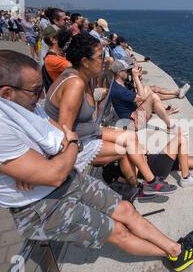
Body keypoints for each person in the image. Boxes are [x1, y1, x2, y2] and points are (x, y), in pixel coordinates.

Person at [0, 50, 193, 272]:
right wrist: (68, 146)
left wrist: (59, 150)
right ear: (6, 92)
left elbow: (59, 141)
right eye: (36, 91)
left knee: (126, 211)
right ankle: (177, 255)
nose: (41, 96)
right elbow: (56, 164)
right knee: (118, 232)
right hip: (42, 206)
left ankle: (174, 247)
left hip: (66, 180)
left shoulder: (19, 106)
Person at [44, 33, 177, 195]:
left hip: (88, 131)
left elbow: (108, 65)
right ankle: (148, 183)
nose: (104, 60)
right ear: (85, 62)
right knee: (125, 148)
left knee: (131, 137)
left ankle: (142, 186)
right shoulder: (75, 84)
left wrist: (106, 63)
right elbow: (63, 131)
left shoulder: (85, 75)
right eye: (100, 57)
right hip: (73, 145)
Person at [104, 130, 193, 188]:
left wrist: (141, 150)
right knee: (181, 139)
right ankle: (185, 178)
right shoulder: (110, 168)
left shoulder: (118, 151)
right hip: (155, 167)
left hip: (154, 160)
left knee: (191, 160)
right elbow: (130, 178)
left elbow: (141, 151)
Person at [110, 60, 191, 131]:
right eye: (126, 70)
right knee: (153, 97)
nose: (128, 72)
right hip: (133, 123)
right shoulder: (118, 90)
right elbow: (141, 97)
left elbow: (139, 94)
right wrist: (136, 77)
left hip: (134, 114)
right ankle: (170, 127)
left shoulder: (119, 84)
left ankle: (165, 109)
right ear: (118, 73)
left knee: (147, 89)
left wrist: (138, 77)